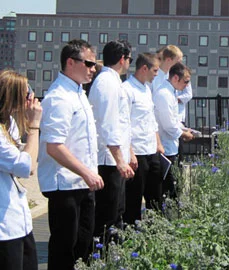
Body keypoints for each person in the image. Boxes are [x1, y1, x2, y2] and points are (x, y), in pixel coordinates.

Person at [38, 39, 104, 269]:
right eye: (88, 63)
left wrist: (87, 175)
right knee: (64, 248)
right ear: (70, 62)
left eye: (94, 64)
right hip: (64, 185)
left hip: (81, 183)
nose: (93, 69)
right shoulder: (59, 98)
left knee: (83, 245)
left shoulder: (78, 93)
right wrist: (87, 172)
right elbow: (54, 146)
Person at [88, 40, 136, 239]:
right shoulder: (107, 82)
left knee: (117, 211)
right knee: (107, 215)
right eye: (129, 59)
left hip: (115, 158)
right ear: (122, 59)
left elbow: (122, 124)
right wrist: (119, 160)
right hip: (108, 160)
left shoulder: (113, 81)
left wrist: (128, 153)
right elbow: (108, 125)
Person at [0, 70, 41, 270]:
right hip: (4, 228)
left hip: (19, 222)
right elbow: (27, 166)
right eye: (27, 94)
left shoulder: (9, 123)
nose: (31, 99)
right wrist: (34, 127)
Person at [122, 52, 165, 224]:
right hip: (137, 152)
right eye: (155, 70)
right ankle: (131, 236)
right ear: (144, 68)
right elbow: (124, 123)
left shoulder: (147, 89)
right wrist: (130, 152)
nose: (157, 74)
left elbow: (151, 120)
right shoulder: (126, 90)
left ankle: (153, 232)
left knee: (155, 197)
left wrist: (158, 143)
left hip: (151, 149)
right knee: (133, 199)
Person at [152, 62, 194, 202]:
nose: (186, 85)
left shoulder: (171, 92)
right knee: (168, 189)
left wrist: (183, 129)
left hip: (170, 145)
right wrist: (183, 134)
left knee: (173, 185)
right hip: (164, 147)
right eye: (185, 81)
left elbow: (173, 120)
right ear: (175, 78)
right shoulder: (164, 94)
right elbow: (168, 124)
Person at [152, 45, 193, 161]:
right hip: (161, 130)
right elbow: (166, 119)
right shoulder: (157, 80)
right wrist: (181, 133)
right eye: (178, 61)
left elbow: (188, 94)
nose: (180, 64)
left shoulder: (172, 78)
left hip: (174, 125)